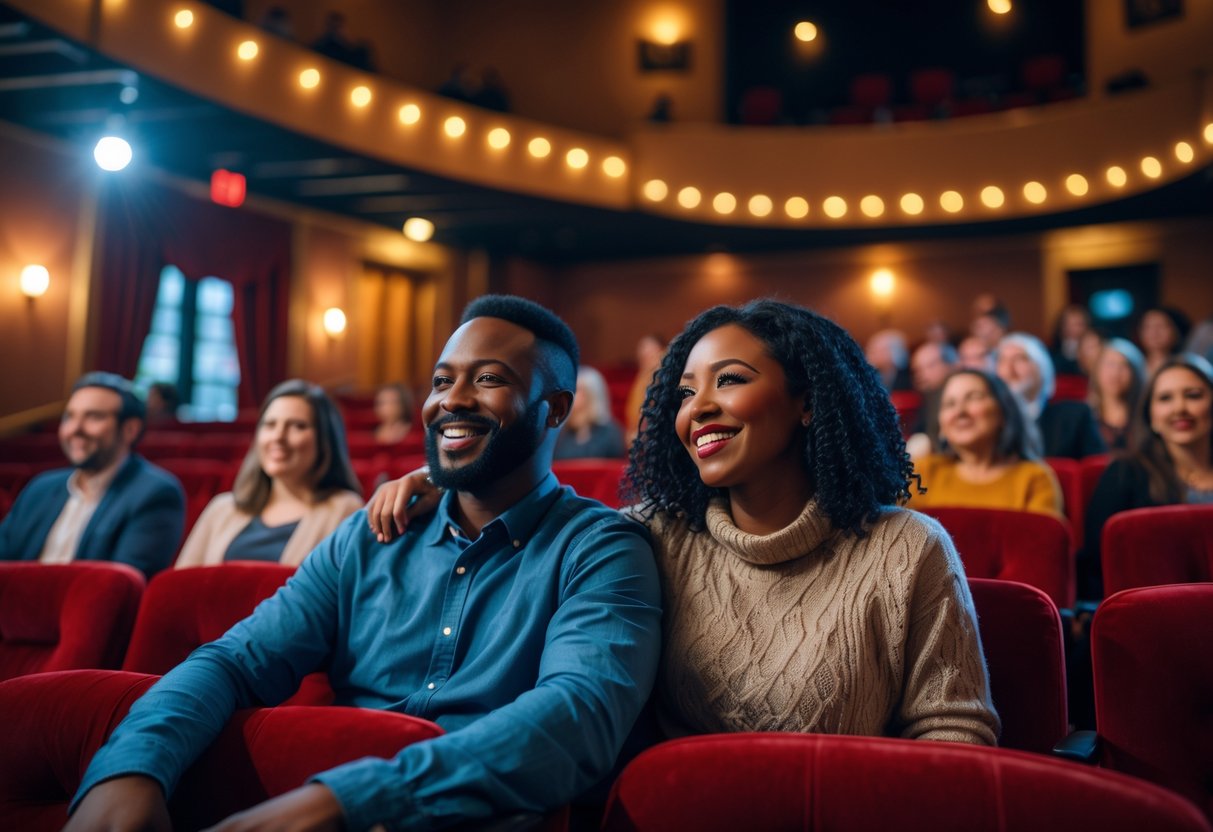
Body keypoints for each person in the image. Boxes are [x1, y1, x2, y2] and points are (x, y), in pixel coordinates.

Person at [56, 297, 660, 830]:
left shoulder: (600, 547)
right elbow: (237, 660)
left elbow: (579, 714)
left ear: (554, 410)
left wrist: (349, 801)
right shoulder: (374, 532)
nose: (452, 400)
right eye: (441, 380)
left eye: (489, 379)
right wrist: (132, 766)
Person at [372, 300, 999, 746]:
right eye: (683, 392)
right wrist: (445, 483)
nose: (698, 409)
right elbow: (542, 536)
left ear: (808, 402)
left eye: (728, 381)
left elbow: (954, 735)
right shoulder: (653, 536)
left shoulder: (907, 550)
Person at [0, 372, 185, 579]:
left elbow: (118, 588)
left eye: (93, 416)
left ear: (130, 429)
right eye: (70, 416)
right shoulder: (40, 488)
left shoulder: (155, 494)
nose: (75, 429)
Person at [175, 380, 363, 568]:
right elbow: (180, 587)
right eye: (270, 424)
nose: (278, 437)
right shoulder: (222, 509)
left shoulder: (344, 509)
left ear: (325, 440)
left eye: (297, 426)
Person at [1081, 353, 1213, 599]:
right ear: (1151, 416)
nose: (1180, 408)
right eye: (1165, 398)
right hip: (1157, 613)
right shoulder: (1124, 473)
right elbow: (1095, 562)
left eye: (1193, 395)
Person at [910, 370, 1062, 515]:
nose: (960, 412)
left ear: (1003, 411)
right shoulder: (923, 472)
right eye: (949, 404)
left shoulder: (1035, 478)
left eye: (974, 397)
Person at [996, 332, 1105, 459]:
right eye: (1002, 360)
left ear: (1042, 368)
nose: (1008, 369)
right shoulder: (990, 422)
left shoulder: (1074, 417)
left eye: (1020, 359)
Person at [1087, 338, 1146, 451]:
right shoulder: (1084, 417)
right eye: (1110, 364)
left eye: (1124, 365)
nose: (1115, 373)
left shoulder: (1146, 418)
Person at [554, 366, 625, 460]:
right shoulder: (560, 434)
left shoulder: (611, 432)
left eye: (576, 391)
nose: (569, 396)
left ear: (592, 395)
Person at [905, 341, 958, 457]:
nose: (920, 375)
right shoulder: (928, 398)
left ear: (950, 365)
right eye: (917, 370)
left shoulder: (958, 394)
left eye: (929, 366)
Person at [624, 333, 667, 445]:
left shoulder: (664, 374)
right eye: (642, 348)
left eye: (649, 348)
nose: (644, 352)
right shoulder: (641, 379)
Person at [1050, 304, 1092, 375]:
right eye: (1068, 324)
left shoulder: (1094, 354)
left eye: (1078, 324)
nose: (1072, 329)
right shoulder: (1051, 354)